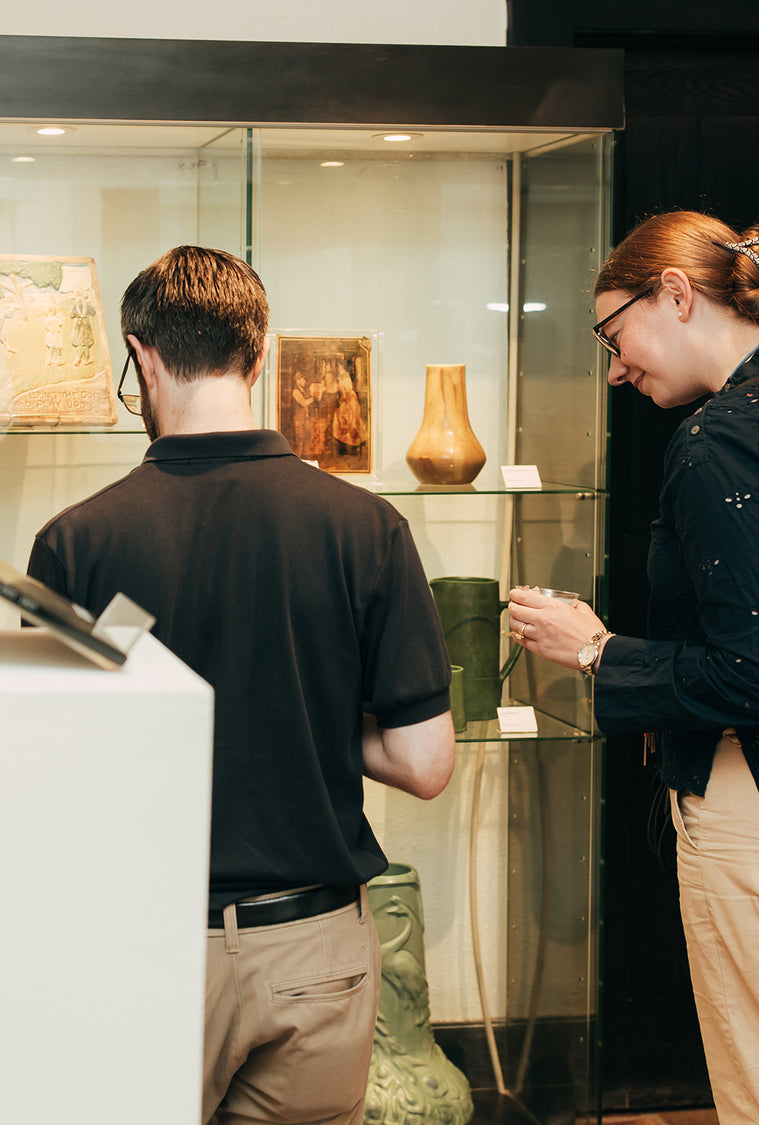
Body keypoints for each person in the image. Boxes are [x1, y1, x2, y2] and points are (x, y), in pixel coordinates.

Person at [26, 245, 456, 1125]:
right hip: (314, 949)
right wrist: (304, 712)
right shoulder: (366, 528)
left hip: (144, 945)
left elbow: (51, 772)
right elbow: (424, 762)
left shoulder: (79, 541)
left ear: (140, 356)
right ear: (258, 357)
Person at [507, 211, 759, 1124]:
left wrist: (597, 650)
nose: (615, 367)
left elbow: (758, 673)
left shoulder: (723, 436)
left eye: (614, 334)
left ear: (676, 294)